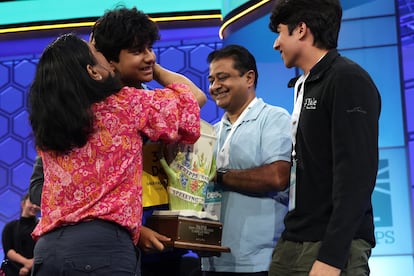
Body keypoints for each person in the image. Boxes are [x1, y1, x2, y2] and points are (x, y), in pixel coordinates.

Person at [28, 33, 202, 275]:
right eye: (99, 54)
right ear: (93, 71)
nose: (107, 60)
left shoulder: (50, 125)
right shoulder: (124, 105)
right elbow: (193, 100)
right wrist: (155, 67)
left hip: (47, 253)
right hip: (102, 251)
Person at [90, 7, 206, 276]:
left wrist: (149, 66)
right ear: (108, 59)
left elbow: (195, 98)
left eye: (150, 48)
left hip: (163, 236)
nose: (150, 56)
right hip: (120, 240)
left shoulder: (146, 101)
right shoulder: (97, 109)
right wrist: (133, 228)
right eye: (137, 50)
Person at [268, 0, 381, 275]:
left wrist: (332, 255)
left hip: (334, 245)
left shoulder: (347, 79)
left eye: (280, 32)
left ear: (301, 30)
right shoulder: (304, 84)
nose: (275, 44)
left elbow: (356, 176)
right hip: (295, 237)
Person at [201, 45, 292, 275]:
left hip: (259, 263)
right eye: (211, 80)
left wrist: (219, 176)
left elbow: (277, 177)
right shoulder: (210, 132)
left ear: (249, 77)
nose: (214, 87)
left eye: (223, 78)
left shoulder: (273, 118)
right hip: (213, 262)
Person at [1, 194, 39, 276]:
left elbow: (45, 249)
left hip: (35, 270)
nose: (35, 206)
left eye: (37, 203)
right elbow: (8, 250)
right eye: (32, 202)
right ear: (23, 204)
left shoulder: (41, 227)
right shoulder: (10, 226)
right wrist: (27, 263)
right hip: (11, 270)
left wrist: (30, 266)